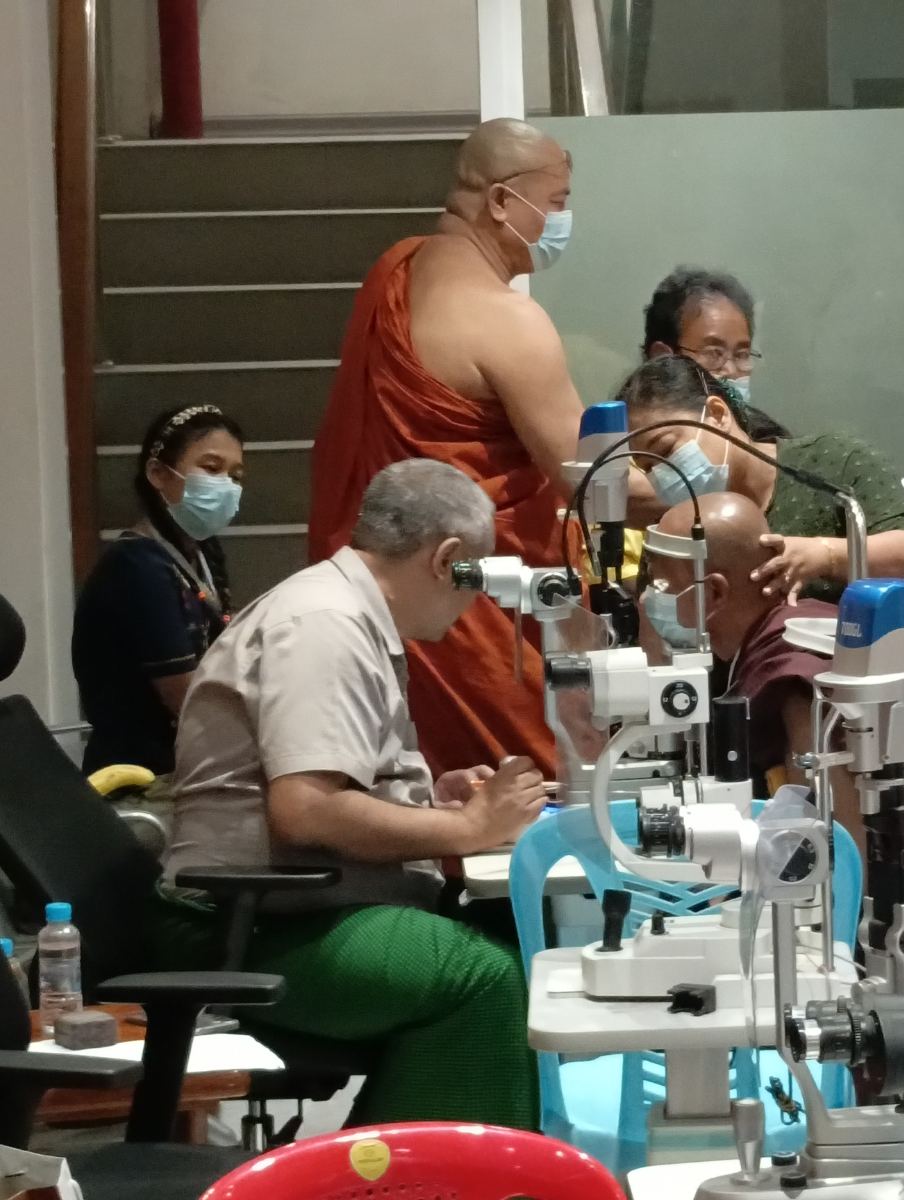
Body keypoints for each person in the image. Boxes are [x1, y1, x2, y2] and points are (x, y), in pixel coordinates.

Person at [153, 460, 549, 1129]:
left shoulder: (345, 613)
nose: (474, 602)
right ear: (446, 558)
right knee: (484, 980)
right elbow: (306, 810)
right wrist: (469, 829)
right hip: (242, 927)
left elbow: (336, 783)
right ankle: (395, 1175)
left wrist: (431, 802)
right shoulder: (324, 624)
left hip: (287, 908)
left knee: (518, 940)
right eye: (474, 579)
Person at [309, 117, 625, 778]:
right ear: (503, 201)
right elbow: (596, 481)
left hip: (385, 588)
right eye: (557, 201)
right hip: (477, 603)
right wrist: (707, 471)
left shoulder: (394, 270)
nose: (562, 221)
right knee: (526, 787)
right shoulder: (506, 318)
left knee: (427, 778)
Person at [646, 492, 904, 1005]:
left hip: (888, 956)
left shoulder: (799, 678)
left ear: (714, 592)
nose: (649, 600)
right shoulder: (778, 638)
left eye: (662, 585)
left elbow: (843, 858)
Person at [621, 355, 904, 684]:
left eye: (667, 450)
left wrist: (825, 556)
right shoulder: (676, 532)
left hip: (881, 692)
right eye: (648, 467)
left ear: (718, 415)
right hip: (750, 706)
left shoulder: (831, 465)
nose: (662, 473)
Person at [72, 405, 244, 775]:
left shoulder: (203, 552)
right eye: (211, 468)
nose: (227, 485)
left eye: (235, 475)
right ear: (158, 474)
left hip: (191, 762)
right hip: (138, 777)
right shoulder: (136, 566)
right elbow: (187, 700)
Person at [642, 266, 761, 406]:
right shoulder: (630, 419)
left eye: (742, 355)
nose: (731, 370)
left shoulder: (757, 421)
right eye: (714, 353)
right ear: (662, 359)